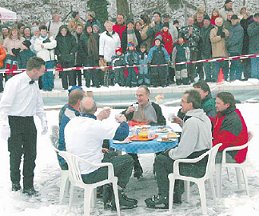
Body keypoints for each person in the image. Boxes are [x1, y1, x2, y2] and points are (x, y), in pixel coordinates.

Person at [65, 97, 137, 210]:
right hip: (90, 173)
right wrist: (123, 121)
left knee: (112, 154)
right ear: (95, 109)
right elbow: (121, 134)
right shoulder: (95, 125)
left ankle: (109, 195)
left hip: (76, 170)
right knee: (128, 160)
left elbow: (85, 138)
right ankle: (117, 195)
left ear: (79, 109)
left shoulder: (71, 123)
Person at [145, 90, 212, 208]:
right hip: (203, 162)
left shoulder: (192, 122)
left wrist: (169, 152)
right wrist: (182, 123)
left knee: (161, 159)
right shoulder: (204, 117)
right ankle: (175, 194)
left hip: (195, 167)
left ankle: (164, 197)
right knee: (167, 157)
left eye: (183, 101)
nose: (181, 103)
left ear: (191, 104)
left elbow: (183, 152)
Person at [0, 57, 48, 196]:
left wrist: (43, 119)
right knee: (15, 154)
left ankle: (28, 185)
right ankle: (15, 183)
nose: (43, 73)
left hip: (29, 122)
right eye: (42, 71)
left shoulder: (35, 82)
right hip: (14, 122)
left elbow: (38, 103)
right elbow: (4, 106)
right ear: (34, 70)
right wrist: (4, 124)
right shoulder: (14, 82)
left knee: (31, 154)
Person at [122, 86, 166, 178]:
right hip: (136, 135)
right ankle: (137, 167)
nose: (138, 98)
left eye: (141, 95)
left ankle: (157, 166)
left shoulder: (155, 107)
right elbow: (120, 118)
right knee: (129, 145)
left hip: (151, 134)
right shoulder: (133, 106)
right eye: (137, 96)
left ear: (147, 95)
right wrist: (127, 112)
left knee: (160, 145)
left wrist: (150, 125)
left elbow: (162, 123)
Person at [211, 92, 248, 163]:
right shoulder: (225, 114)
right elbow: (215, 123)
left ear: (227, 105)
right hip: (229, 150)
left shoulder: (232, 120)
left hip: (232, 154)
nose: (215, 105)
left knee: (201, 158)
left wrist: (205, 145)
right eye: (216, 103)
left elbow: (220, 144)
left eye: (218, 103)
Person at [58, 88, 85, 170]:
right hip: (69, 159)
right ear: (79, 102)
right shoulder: (71, 116)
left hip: (67, 153)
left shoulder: (69, 110)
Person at [34, 25, 57, 91]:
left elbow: (53, 45)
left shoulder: (51, 38)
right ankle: (45, 87)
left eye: (45, 31)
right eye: (42, 31)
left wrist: (43, 45)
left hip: (50, 59)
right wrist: (46, 46)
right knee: (43, 74)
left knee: (50, 74)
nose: (43, 32)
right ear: (40, 31)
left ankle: (50, 87)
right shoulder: (37, 39)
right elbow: (36, 48)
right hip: (41, 59)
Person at [55, 25, 77, 89]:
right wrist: (58, 54)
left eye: (65, 30)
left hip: (70, 58)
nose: (63, 32)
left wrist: (72, 52)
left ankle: (72, 86)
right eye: (62, 30)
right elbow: (56, 48)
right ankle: (65, 87)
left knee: (71, 74)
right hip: (62, 58)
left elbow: (75, 46)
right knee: (63, 74)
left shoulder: (71, 37)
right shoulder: (58, 38)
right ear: (60, 31)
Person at [210, 17, 229, 82]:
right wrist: (220, 37)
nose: (219, 23)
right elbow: (212, 40)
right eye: (218, 22)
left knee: (225, 68)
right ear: (215, 23)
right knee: (216, 69)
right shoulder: (212, 31)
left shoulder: (226, 30)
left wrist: (225, 36)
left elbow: (229, 39)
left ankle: (225, 79)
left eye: (220, 22)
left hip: (224, 53)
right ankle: (215, 80)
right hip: (216, 53)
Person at [227, 15, 244, 81]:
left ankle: (237, 78)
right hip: (231, 49)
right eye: (232, 20)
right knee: (233, 64)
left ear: (237, 20)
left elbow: (236, 39)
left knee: (237, 64)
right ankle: (232, 78)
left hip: (236, 49)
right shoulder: (231, 27)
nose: (233, 21)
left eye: (234, 19)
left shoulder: (239, 28)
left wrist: (228, 44)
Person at [247, 13, 259, 79]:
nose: (258, 19)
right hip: (253, 49)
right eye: (256, 17)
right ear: (254, 18)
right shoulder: (251, 25)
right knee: (254, 65)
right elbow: (250, 33)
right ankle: (255, 78)